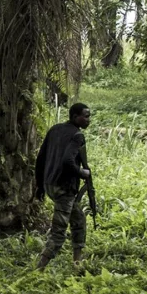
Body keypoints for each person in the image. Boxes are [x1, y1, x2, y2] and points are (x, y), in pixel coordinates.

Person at [34, 102, 93, 270]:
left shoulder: (55, 129)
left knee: (78, 220)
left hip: (50, 185)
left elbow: (40, 159)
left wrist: (40, 186)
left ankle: (77, 263)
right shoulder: (77, 136)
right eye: (86, 116)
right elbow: (68, 161)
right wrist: (82, 173)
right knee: (58, 233)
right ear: (75, 117)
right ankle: (38, 270)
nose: (88, 120)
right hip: (64, 188)